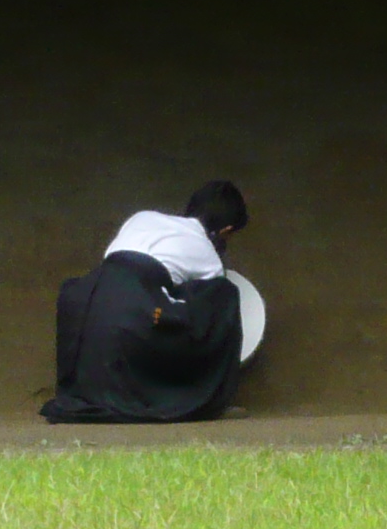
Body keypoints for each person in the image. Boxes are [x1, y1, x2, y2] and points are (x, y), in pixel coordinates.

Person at [42, 180, 250, 424]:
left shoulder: (142, 218)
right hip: (136, 318)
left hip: (84, 311)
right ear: (226, 231)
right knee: (224, 295)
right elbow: (204, 307)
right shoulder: (207, 253)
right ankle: (210, 400)